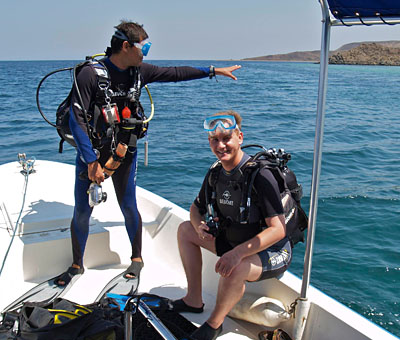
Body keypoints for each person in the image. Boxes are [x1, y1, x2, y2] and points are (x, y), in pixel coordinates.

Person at [55, 21, 241, 286]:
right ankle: (76, 265)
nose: (148, 53)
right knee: (83, 211)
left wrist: (212, 71)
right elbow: (77, 119)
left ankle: (137, 259)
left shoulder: (139, 72)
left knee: (128, 205)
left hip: (124, 152)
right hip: (93, 153)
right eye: (145, 47)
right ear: (126, 46)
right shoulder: (90, 75)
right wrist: (91, 161)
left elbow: (175, 73)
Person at [173, 111, 292, 340]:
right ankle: (193, 300)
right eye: (214, 140)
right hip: (235, 241)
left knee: (234, 267)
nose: (221, 145)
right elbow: (196, 208)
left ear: (239, 137)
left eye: (226, 138)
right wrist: (199, 227)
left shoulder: (260, 175)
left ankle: (214, 325)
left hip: (273, 250)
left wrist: (236, 254)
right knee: (185, 230)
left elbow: (278, 229)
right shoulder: (216, 172)